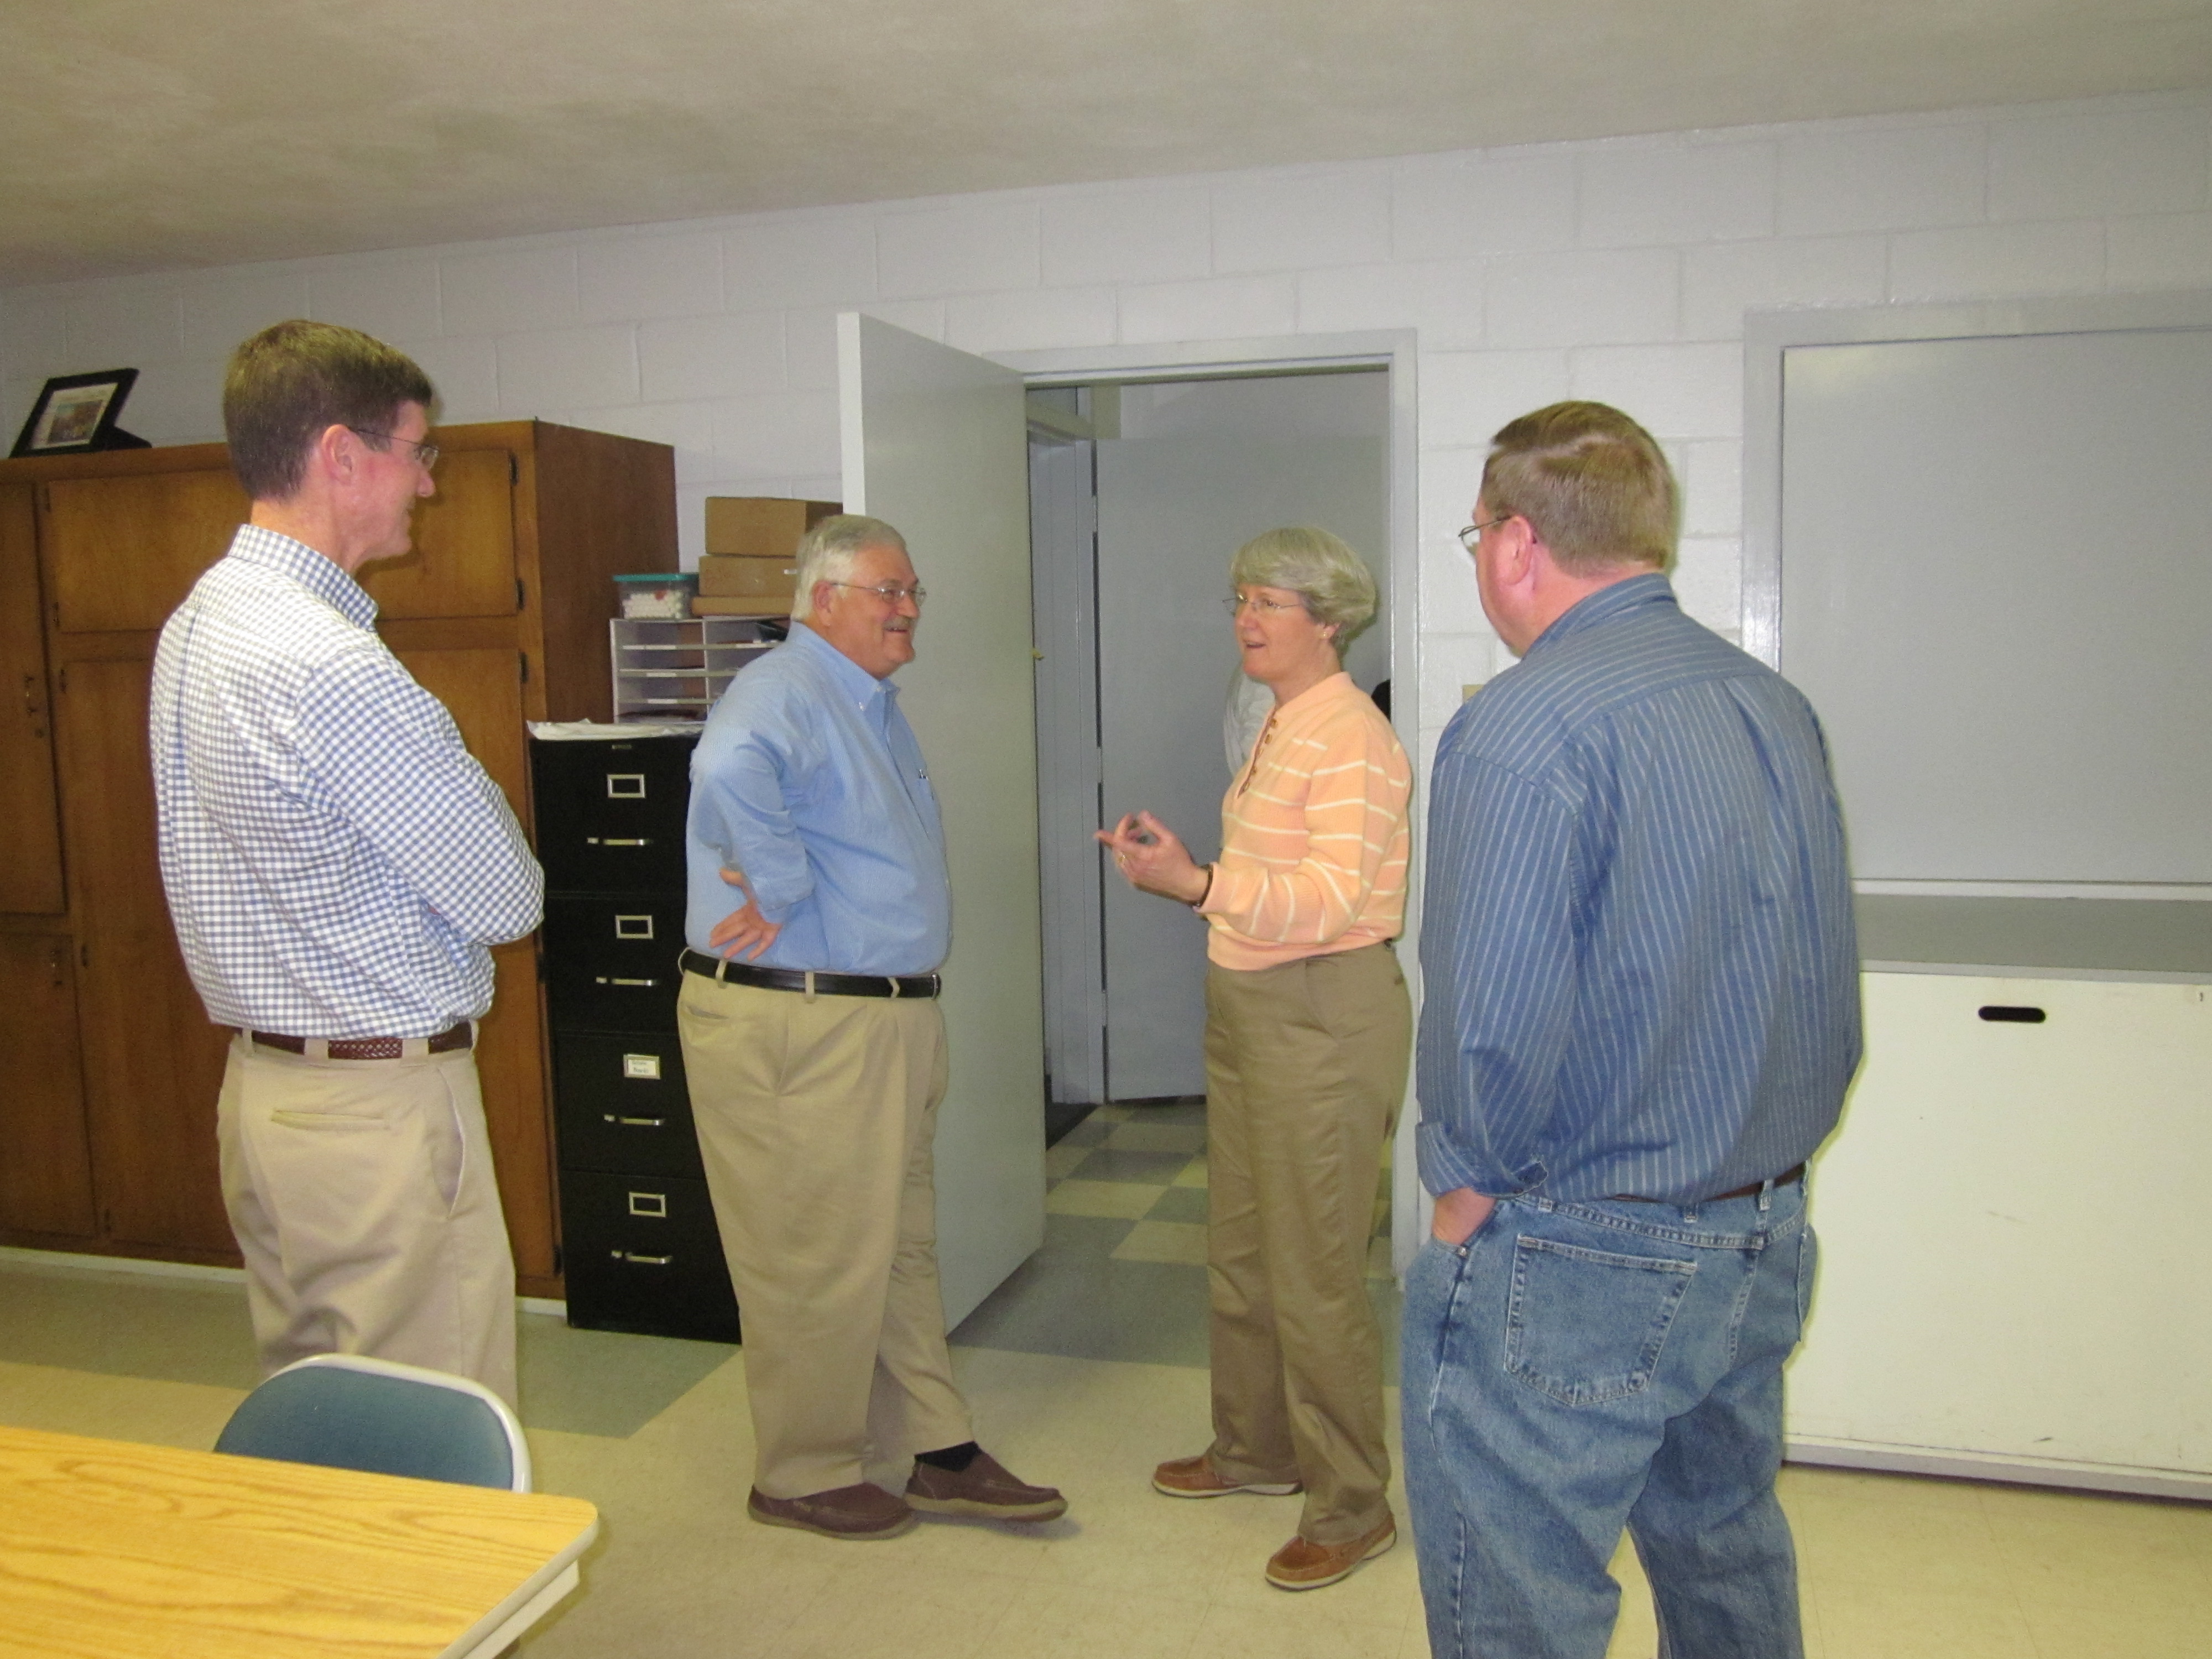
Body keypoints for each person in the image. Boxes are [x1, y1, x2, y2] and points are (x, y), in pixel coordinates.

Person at [1403, 402, 1861, 1659]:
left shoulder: (1522, 723)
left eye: (1478, 537)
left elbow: (1489, 1021)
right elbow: (1822, 982)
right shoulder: (1769, 702)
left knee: (1517, 1594)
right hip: (1759, 1225)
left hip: (1581, 1246)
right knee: (1723, 1545)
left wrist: (1462, 1194)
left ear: (1514, 542)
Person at [150, 320, 543, 1405]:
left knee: (319, 1412)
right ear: (340, 454)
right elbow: (507, 898)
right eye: (418, 452)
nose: (428, 483)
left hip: (267, 1099)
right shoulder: (329, 662)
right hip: (373, 1118)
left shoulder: (200, 622)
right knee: (428, 1429)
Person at [679, 513, 1065, 1541]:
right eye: (887, 592)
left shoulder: (865, 703)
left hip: (875, 1021)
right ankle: (801, 1471)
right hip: (805, 1023)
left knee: (896, 1247)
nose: (908, 611)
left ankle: (933, 1447)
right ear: (824, 600)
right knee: (814, 1255)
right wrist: (780, 881)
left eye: (912, 592)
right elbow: (725, 767)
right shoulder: (785, 688)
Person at [1100, 525, 1412, 1591]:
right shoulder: (1282, 721)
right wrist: (1190, 874)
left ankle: (1353, 1505)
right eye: (1240, 598)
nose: (1246, 618)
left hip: (1321, 1011)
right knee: (1241, 1248)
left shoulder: (1352, 735)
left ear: (1330, 621)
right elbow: (1273, 874)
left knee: (1315, 1270)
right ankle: (1255, 1449)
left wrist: (1197, 884)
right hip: (1247, 1002)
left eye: (1270, 602)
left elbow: (1328, 901)